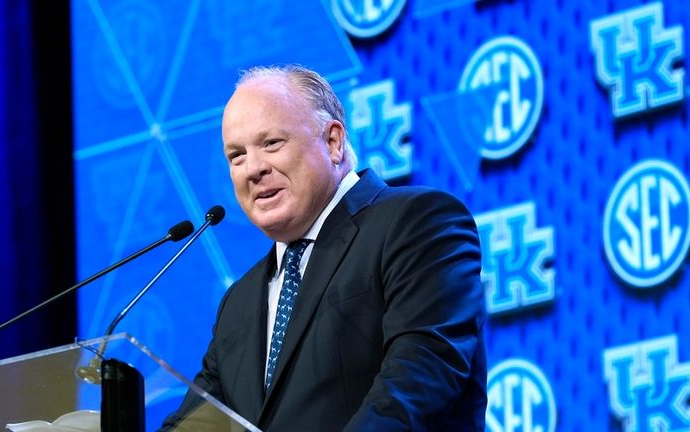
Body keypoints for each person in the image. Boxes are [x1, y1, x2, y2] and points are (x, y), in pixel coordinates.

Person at [161, 65, 487, 431]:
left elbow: (415, 384)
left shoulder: (417, 222)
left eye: (271, 143)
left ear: (332, 141)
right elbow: (196, 425)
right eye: (236, 156)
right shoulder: (239, 302)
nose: (252, 169)